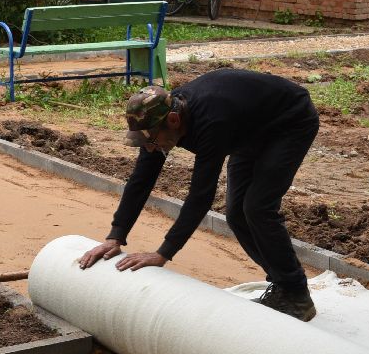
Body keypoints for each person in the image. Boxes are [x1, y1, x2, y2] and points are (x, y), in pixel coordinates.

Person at [78, 68, 321, 320]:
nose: (150, 146)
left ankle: (296, 293)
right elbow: (141, 179)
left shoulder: (211, 123)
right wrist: (115, 236)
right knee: (236, 213)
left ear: (173, 120)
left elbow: (201, 195)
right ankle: (282, 284)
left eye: (152, 140)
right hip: (250, 127)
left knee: (258, 208)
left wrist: (164, 253)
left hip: (289, 122)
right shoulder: (160, 119)